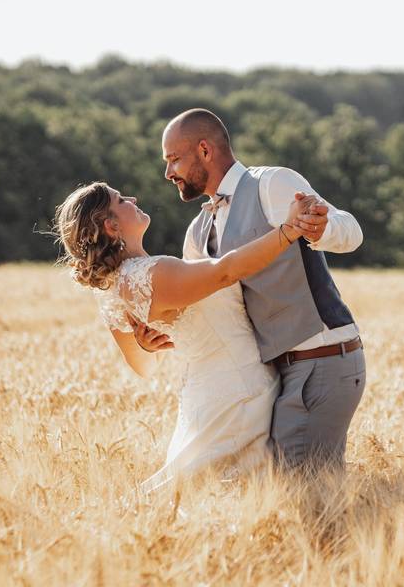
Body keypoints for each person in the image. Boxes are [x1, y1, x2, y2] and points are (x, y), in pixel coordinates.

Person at [130, 108, 366, 470]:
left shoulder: (272, 183)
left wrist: (321, 229)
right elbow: (202, 310)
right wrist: (158, 333)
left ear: (205, 151)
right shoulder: (197, 231)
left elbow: (349, 228)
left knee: (305, 492)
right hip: (270, 380)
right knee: (279, 489)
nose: (168, 173)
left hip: (321, 361)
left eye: (174, 160)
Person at [55, 180, 320, 491]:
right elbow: (225, 271)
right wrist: (288, 231)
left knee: (207, 494)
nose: (133, 197)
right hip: (238, 394)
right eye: (121, 200)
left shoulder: (112, 288)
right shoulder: (151, 273)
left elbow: (142, 367)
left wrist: (146, 345)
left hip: (204, 398)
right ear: (111, 226)